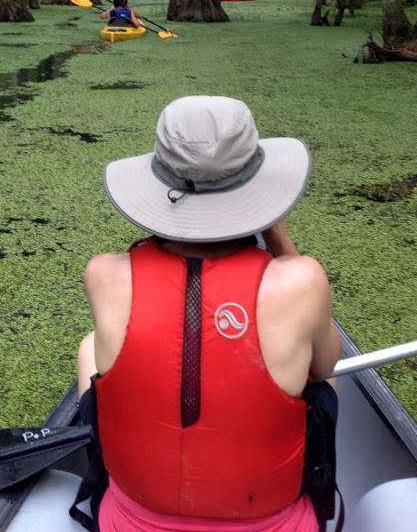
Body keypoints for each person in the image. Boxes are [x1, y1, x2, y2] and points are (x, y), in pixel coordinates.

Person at [74, 96, 342, 532]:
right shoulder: (302, 281)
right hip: (274, 523)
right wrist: (282, 245)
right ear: (258, 189)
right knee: (320, 371)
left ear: (160, 184)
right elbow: (328, 364)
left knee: (90, 345)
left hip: (127, 523)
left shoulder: (103, 274)